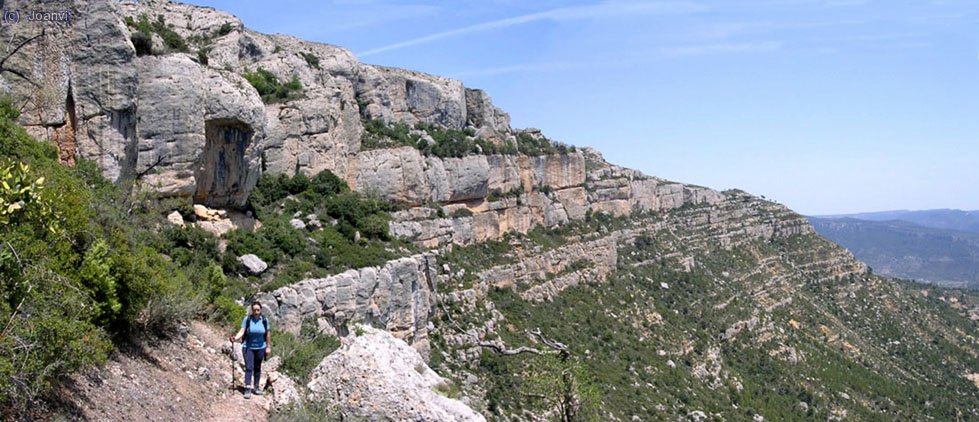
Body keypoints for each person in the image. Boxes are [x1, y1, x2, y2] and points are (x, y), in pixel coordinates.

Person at [230, 301, 271, 399]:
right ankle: (247, 388)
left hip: (261, 347)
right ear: (252, 310)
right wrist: (235, 338)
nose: (256, 312)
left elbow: (268, 334)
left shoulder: (264, 320)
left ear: (260, 310)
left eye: (258, 310)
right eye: (254, 310)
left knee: (257, 367)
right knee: (249, 367)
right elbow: (242, 331)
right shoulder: (247, 319)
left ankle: (256, 388)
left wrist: (268, 347)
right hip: (248, 347)